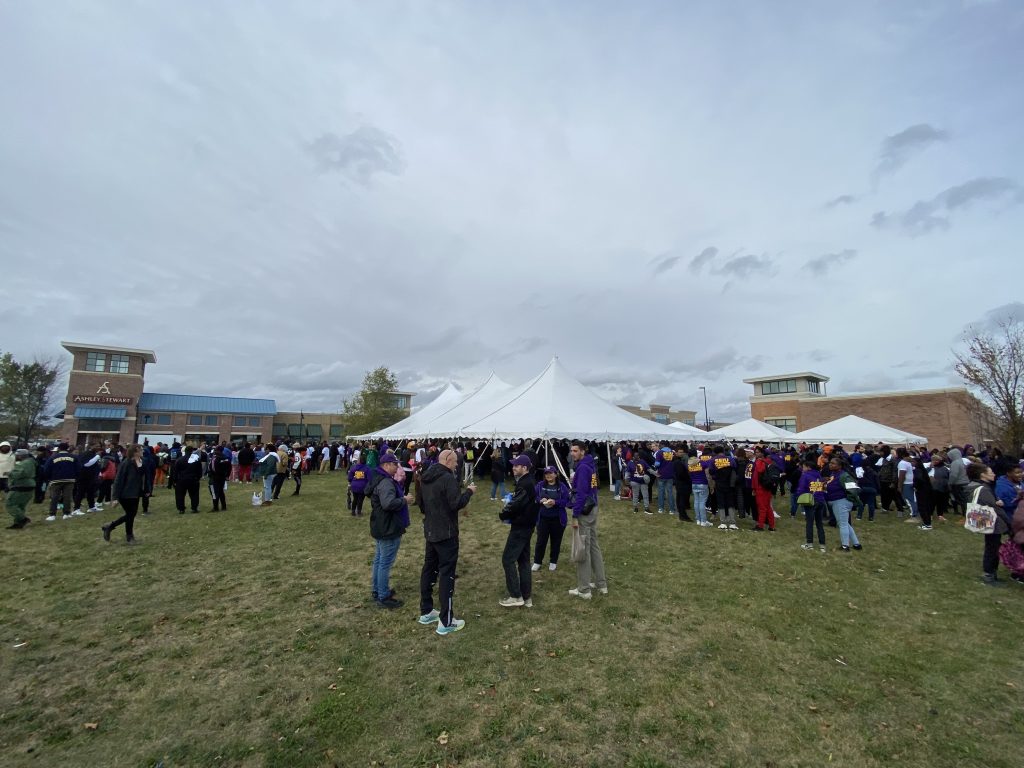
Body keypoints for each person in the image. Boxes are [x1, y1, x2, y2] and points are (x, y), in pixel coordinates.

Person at [418, 449, 475, 635]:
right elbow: (456, 503)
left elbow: (421, 504)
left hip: (431, 530)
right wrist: (468, 492)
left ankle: (426, 611)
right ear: (448, 460)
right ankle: (446, 621)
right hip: (446, 533)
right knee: (446, 574)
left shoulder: (425, 477)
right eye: (456, 461)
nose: (457, 464)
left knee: (429, 568)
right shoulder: (447, 478)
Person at [368, 452, 413, 608]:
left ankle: (378, 590)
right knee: (384, 562)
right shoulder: (386, 482)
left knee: (379, 560)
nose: (397, 467)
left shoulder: (380, 479)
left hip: (381, 525)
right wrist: (404, 500)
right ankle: (383, 595)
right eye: (395, 465)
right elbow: (388, 504)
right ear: (386, 465)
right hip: (388, 526)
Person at [568, 440, 607, 600]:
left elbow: (582, 493)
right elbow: (593, 487)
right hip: (593, 507)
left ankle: (584, 589)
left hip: (585, 510)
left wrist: (575, 514)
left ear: (583, 451)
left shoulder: (583, 467)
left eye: (575, 451)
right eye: (571, 451)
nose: (572, 453)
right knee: (593, 546)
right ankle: (601, 583)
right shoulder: (590, 465)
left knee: (583, 548)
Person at [498, 455, 539, 607]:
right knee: (523, 560)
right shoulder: (526, 482)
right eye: (514, 465)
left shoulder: (525, 483)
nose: (514, 468)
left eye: (517, 466)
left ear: (525, 468)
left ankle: (516, 596)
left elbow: (515, 505)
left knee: (508, 559)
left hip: (521, 527)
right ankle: (526, 596)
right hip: (527, 525)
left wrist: (503, 514)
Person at [966, 461, 1013, 586]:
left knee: (993, 547)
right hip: (992, 523)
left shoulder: (983, 487)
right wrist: (1009, 524)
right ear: (983, 475)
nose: (994, 474)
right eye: (991, 472)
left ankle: (992, 574)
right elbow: (996, 509)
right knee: (992, 548)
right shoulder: (984, 489)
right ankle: (989, 575)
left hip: (990, 522)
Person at [102, 445, 150, 543]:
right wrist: (115, 497)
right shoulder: (126, 463)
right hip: (125, 493)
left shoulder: (141, 462)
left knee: (131, 514)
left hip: (136, 493)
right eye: (140, 450)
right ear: (135, 452)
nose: (142, 451)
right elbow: (118, 480)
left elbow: (144, 476)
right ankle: (128, 536)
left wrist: (146, 490)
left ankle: (111, 527)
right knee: (130, 514)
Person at [533, 466, 569, 572]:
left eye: (550, 473)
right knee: (541, 541)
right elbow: (533, 496)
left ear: (556, 474)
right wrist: (540, 500)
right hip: (543, 518)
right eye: (546, 473)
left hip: (557, 519)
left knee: (556, 541)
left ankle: (553, 561)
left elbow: (567, 501)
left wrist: (555, 502)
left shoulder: (562, 486)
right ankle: (537, 561)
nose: (548, 475)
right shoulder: (540, 485)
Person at [824, 456, 862, 552]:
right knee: (845, 524)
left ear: (839, 466)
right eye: (830, 462)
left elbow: (853, 490)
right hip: (836, 501)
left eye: (833, 463)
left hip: (841, 501)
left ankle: (845, 546)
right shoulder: (833, 474)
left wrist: (848, 499)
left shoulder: (844, 475)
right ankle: (856, 544)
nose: (830, 464)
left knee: (843, 524)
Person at [795, 457, 827, 551]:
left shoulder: (805, 476)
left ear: (808, 467)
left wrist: (799, 496)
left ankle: (809, 544)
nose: (802, 468)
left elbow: (801, 488)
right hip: (820, 500)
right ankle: (822, 545)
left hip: (811, 501)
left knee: (809, 523)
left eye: (804, 467)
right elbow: (822, 488)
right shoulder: (819, 476)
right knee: (819, 523)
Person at [5, 448, 36, 529]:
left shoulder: (22, 464)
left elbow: (18, 474)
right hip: (30, 485)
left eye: (17, 455)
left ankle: (23, 519)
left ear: (20, 456)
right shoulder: (31, 462)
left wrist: (9, 473)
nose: (16, 456)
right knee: (20, 505)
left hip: (21, 486)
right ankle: (18, 524)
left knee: (10, 504)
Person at [711, 445, 738, 530]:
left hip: (719, 483)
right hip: (729, 484)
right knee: (730, 503)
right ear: (723, 451)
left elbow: (711, 471)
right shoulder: (730, 459)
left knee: (721, 502)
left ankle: (723, 522)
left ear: (715, 452)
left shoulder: (713, 460)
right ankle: (732, 522)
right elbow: (735, 468)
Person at [751, 446, 775, 532]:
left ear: (762, 453)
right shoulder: (768, 461)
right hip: (767, 486)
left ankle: (760, 525)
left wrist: (754, 488)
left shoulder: (760, 462)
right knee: (767, 507)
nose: (756, 454)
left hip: (760, 487)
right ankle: (771, 526)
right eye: (755, 452)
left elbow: (757, 475)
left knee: (762, 507)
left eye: (757, 452)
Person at [173, 446, 202, 513]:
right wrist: (198, 478)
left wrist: (175, 480)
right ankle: (194, 508)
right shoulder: (196, 460)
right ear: (192, 451)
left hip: (181, 480)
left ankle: (181, 509)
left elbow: (175, 471)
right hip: (193, 479)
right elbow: (199, 470)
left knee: (180, 495)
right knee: (194, 494)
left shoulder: (179, 460)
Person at [653, 442, 675, 514]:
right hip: (670, 474)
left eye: (660, 445)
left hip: (661, 474)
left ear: (663, 445)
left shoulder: (659, 452)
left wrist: (655, 467)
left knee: (661, 492)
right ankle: (672, 509)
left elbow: (657, 464)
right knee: (670, 492)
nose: (659, 446)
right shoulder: (672, 452)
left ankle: (661, 509)